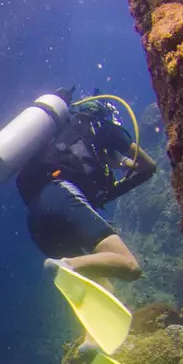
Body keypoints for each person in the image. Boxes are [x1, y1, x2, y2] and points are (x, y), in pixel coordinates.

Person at [17, 94, 158, 281]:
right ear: (101, 113)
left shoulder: (60, 140)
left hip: (37, 218)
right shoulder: (101, 126)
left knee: (100, 281)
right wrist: (123, 161)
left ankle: (65, 269)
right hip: (61, 196)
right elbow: (149, 166)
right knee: (129, 266)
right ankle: (65, 265)